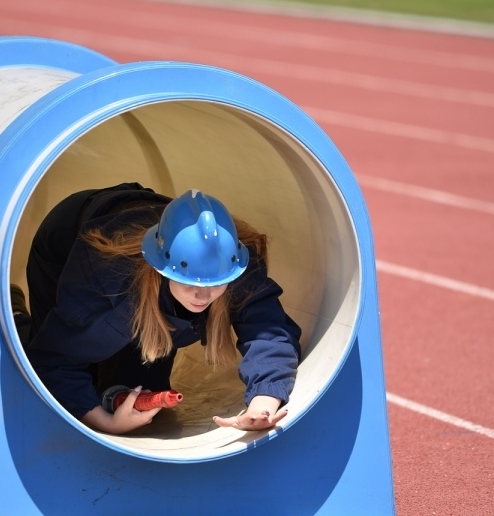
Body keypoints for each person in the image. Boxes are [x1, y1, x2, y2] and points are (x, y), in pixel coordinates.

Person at [16, 182, 301, 437]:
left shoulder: (231, 264)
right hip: (69, 237)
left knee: (140, 397)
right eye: (188, 283)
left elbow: (270, 333)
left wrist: (263, 403)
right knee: (59, 380)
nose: (204, 295)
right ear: (163, 270)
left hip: (154, 216)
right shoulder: (109, 278)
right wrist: (104, 423)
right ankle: (18, 318)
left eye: (217, 284)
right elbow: (57, 360)